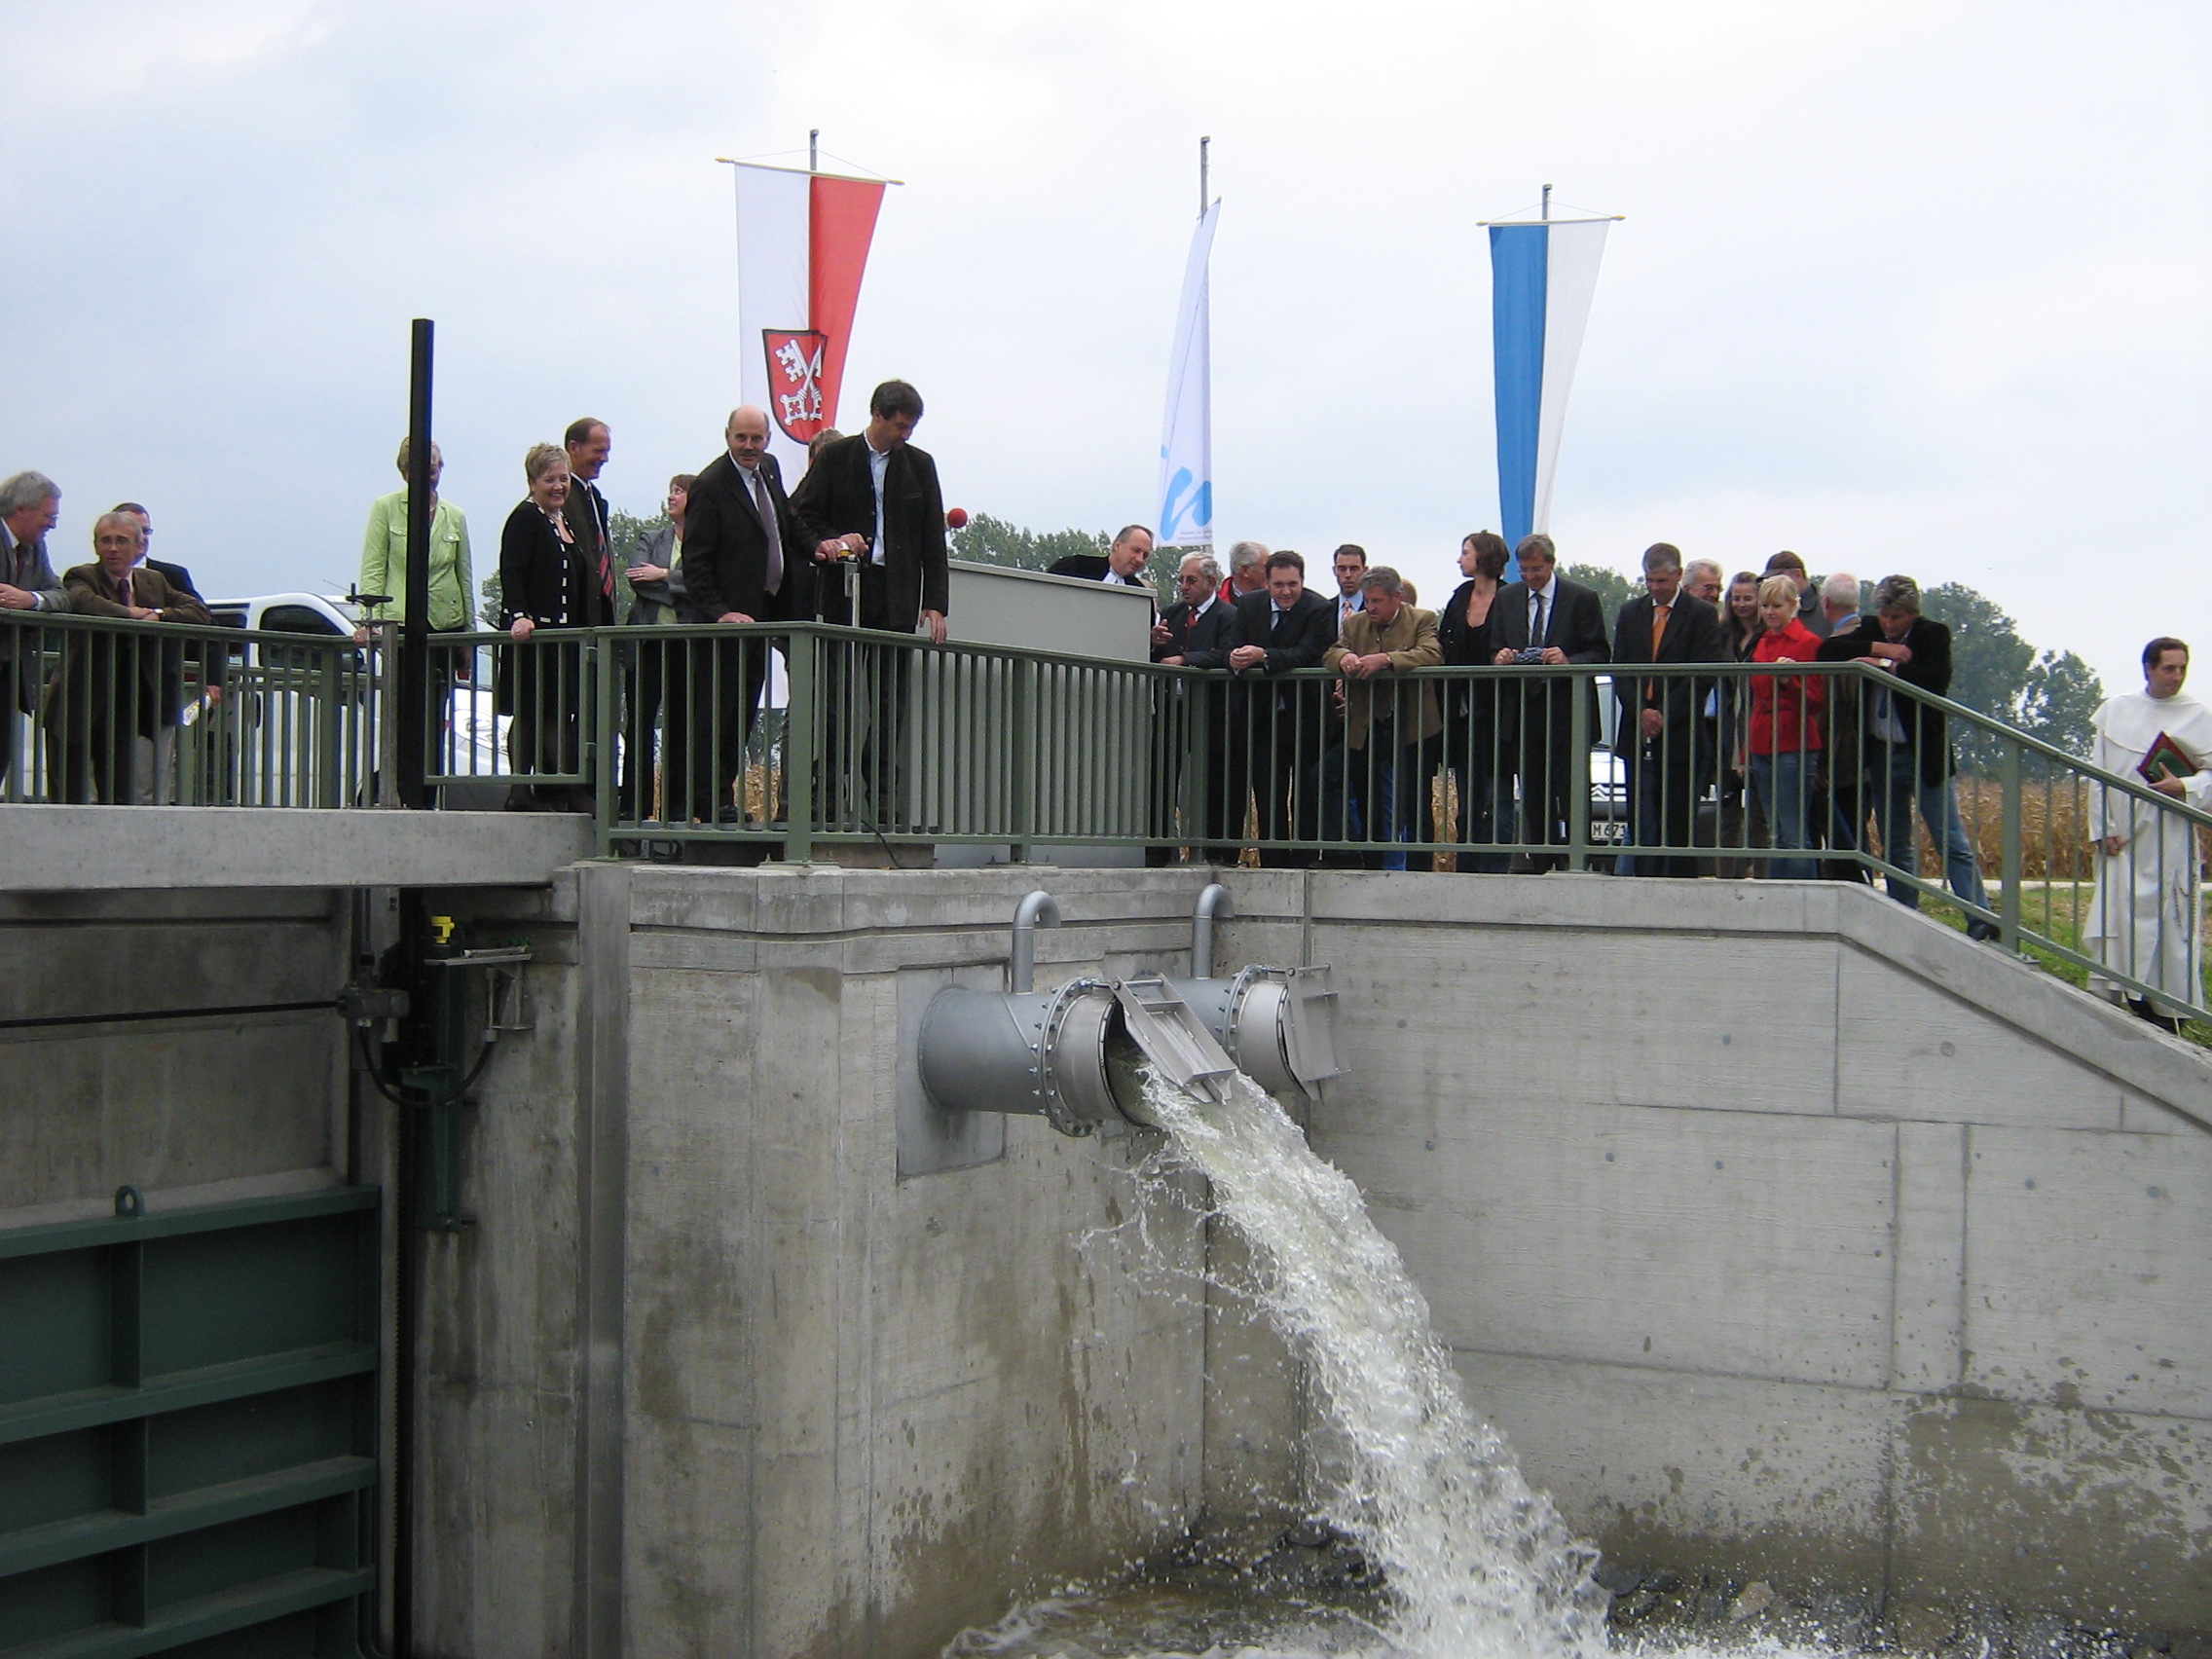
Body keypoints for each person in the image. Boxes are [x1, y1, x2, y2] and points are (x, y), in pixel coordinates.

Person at [788, 379, 950, 830]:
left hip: (895, 596)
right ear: (878, 415)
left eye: (911, 428)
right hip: (846, 591)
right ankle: (826, 802)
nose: (905, 435)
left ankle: (882, 802)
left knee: (889, 704)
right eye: (899, 425)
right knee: (838, 702)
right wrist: (831, 541)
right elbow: (800, 513)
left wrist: (936, 602)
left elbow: (931, 540)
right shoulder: (837, 458)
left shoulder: (920, 465)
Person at [1822, 574, 1994, 933]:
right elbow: (1828, 652)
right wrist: (1882, 649)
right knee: (1895, 842)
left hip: (1922, 752)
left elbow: (1933, 680)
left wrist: (1885, 667)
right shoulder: (1870, 630)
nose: (1889, 623)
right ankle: (1904, 915)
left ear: (1912, 614)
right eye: (1885, 615)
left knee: (1950, 839)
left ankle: (1979, 915)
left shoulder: (1933, 634)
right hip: (1882, 753)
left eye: (1897, 617)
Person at [672, 407, 804, 829]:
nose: (749, 447)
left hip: (763, 618)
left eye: (757, 439)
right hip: (724, 625)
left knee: (743, 711)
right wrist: (720, 612)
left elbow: (787, 524)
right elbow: (696, 564)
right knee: (718, 714)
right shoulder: (711, 486)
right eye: (741, 439)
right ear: (727, 436)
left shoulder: (768, 471)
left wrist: (823, 544)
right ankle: (711, 802)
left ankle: (722, 798)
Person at [2085, 638, 2212, 1028]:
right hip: (2123, 842)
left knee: (2170, 929)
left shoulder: (2198, 716)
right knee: (2118, 917)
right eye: (2168, 668)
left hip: (2170, 841)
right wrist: (2103, 829)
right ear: (2148, 669)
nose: (2176, 676)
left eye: (2181, 668)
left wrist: (2186, 788)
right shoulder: (2116, 712)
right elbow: (2098, 777)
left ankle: (2166, 1011)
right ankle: (2118, 997)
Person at [46, 512, 209, 802]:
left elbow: (198, 612)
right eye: (105, 541)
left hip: (128, 707)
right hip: (79, 702)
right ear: (95, 546)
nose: (112, 548)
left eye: (121, 541)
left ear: (139, 547)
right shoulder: (82, 575)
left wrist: (159, 615)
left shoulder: (154, 581)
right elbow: (86, 603)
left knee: (120, 798)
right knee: (69, 799)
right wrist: (132, 615)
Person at [498, 442, 610, 811]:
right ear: (533, 482)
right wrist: (519, 614)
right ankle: (525, 790)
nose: (559, 486)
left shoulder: (563, 521)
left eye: (563, 479)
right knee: (532, 712)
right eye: (550, 480)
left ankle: (565, 786)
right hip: (534, 637)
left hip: (564, 639)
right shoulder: (525, 519)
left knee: (559, 712)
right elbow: (512, 570)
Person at [1490, 534, 1608, 867]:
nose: (1530, 577)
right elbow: (1493, 646)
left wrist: (1568, 660)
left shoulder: (1581, 598)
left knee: (1572, 793)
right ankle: (1541, 861)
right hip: (1524, 712)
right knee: (1533, 795)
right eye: (1524, 570)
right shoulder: (1508, 598)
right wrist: (1500, 657)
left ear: (1552, 564)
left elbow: (1600, 652)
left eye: (1537, 570)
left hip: (1568, 712)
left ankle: (1578, 862)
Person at [1610, 542, 1727, 876]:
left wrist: (1663, 714)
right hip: (1637, 733)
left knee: (1677, 823)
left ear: (1678, 575)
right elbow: (1621, 669)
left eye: (1661, 581)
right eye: (1649, 580)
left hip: (1681, 736)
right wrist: (1641, 712)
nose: (1655, 588)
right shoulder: (1632, 613)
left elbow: (1701, 675)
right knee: (1641, 821)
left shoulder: (1701, 615)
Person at [1320, 568, 1440, 869]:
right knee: (1329, 776)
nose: (1370, 607)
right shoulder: (1355, 623)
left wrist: (1386, 660)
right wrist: (1344, 659)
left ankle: (1420, 869)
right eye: (1367, 600)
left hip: (1412, 723)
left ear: (1396, 599)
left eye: (1377, 601)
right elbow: (1332, 652)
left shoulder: (1422, 619)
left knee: (1415, 798)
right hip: (1367, 723)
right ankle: (1347, 855)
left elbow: (1431, 653)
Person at [1227, 550, 1334, 866]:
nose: (1286, 592)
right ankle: (1272, 859)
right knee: (1268, 791)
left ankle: (1305, 859)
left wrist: (1264, 656)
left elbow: (1308, 651)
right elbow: (1233, 643)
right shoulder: (1248, 605)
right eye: (1279, 585)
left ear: (1303, 581)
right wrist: (1234, 658)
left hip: (1307, 716)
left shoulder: (1319, 608)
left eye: (1293, 584)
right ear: (1267, 583)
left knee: (1306, 793)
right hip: (1262, 719)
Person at [1149, 551, 1236, 863]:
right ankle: (1159, 851)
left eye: (1191, 580)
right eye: (1181, 580)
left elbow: (1227, 654)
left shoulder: (1228, 615)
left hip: (1212, 711)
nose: (1184, 586)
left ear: (1211, 582)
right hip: (1172, 707)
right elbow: (1153, 655)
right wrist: (1153, 642)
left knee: (1214, 779)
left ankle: (1214, 853)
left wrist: (1187, 660)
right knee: (1161, 777)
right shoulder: (1171, 613)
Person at [616, 473, 690, 820]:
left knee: (680, 727)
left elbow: (705, 581)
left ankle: (675, 811)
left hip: (687, 647)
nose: (671, 496)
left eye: (679, 491)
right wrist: (679, 583)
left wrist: (662, 576)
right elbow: (637, 579)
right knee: (640, 725)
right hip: (647, 645)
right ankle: (633, 808)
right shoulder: (651, 538)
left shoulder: (704, 542)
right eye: (670, 491)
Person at [1745, 574, 1825, 878]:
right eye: (1765, 606)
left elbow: (1816, 700)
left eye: (1776, 606)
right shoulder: (1763, 642)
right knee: (1775, 829)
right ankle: (1781, 894)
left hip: (1794, 739)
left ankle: (1803, 895)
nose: (1769, 612)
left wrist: (1790, 681)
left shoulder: (1808, 643)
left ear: (1793, 605)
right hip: (1762, 738)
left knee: (1793, 830)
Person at [1438, 531, 1509, 870]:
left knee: (1496, 796)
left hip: (1501, 712)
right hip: (1463, 712)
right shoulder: (1459, 597)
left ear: (1484, 556)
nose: (1460, 558)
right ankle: (1467, 865)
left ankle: (1495, 867)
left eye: (1465, 552)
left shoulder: (1510, 597)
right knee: (1467, 796)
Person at [356, 439, 474, 637]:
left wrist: (469, 633)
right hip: (400, 620)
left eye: (432, 472)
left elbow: (464, 576)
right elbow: (373, 568)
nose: (427, 479)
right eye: (419, 472)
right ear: (405, 473)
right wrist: (371, 621)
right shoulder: (385, 508)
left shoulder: (456, 515)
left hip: (446, 623)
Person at [0, 471, 66, 792]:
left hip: (11, 670)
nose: (52, 525)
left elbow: (60, 594)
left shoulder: (36, 549)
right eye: (48, 516)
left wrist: (31, 599)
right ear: (22, 509)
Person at [1812, 573, 1875, 880]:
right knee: (1858, 826)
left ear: (1825, 604)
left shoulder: (1837, 647)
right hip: (1873, 754)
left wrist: (1823, 763)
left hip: (1844, 758)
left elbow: (1833, 710)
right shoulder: (1874, 640)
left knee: (1844, 834)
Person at [1715, 570, 1765, 874]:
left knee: (1759, 816)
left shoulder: (1766, 636)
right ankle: (1725, 877)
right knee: (1726, 813)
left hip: (1756, 730)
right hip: (1727, 731)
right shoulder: (1724, 635)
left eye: (1748, 598)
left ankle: (1762, 878)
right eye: (1737, 598)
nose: (1742, 604)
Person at [1049, 525, 1155, 586]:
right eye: (1136, 550)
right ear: (1117, 546)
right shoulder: (1077, 566)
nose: (1140, 560)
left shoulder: (1139, 592)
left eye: (1145, 555)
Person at [1764, 550, 1830, 640]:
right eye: (1769, 580)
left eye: (1780, 578)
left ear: (1798, 574)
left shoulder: (1827, 610)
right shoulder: (1765, 612)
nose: (1774, 584)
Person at [1327, 544, 1368, 637]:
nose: (1348, 574)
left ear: (1365, 571)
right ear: (1334, 570)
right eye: (1342, 569)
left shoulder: (1374, 609)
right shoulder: (1324, 610)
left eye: (1354, 569)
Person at [1217, 539, 1269, 607]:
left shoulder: (1278, 600)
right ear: (1245, 571)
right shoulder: (1216, 606)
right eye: (1265, 567)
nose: (1271, 572)